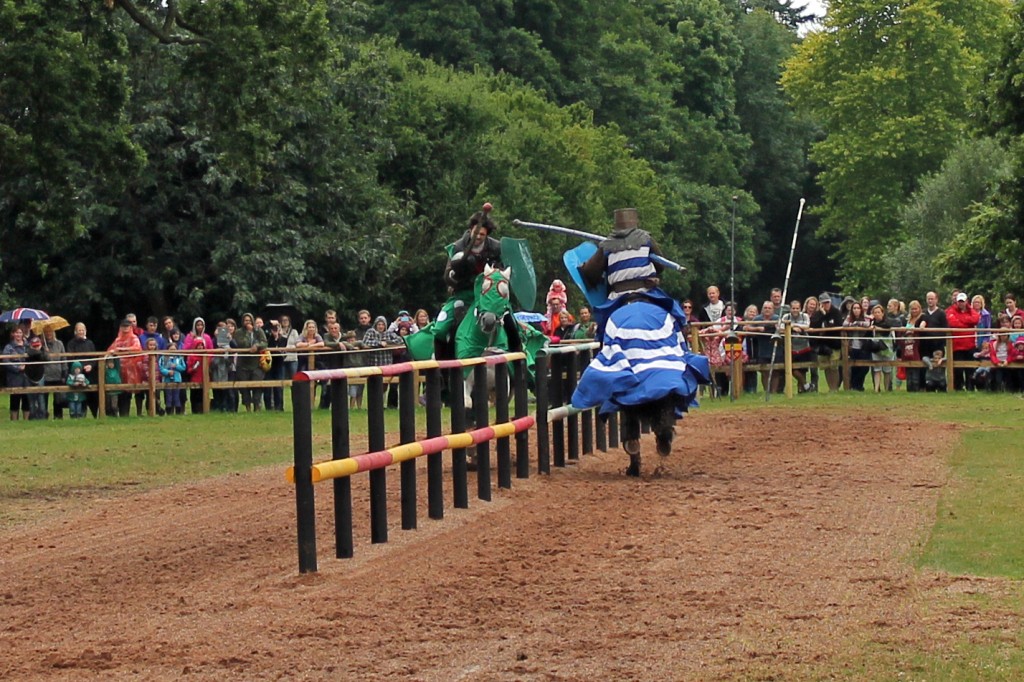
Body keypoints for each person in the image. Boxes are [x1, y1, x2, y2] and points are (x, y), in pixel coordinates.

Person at [578, 207, 684, 340]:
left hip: (618, 296)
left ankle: (603, 350)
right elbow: (660, 266)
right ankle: (681, 343)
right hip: (646, 291)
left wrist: (584, 266)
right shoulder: (646, 240)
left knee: (603, 327)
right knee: (674, 313)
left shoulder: (607, 246)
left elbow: (591, 273)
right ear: (635, 222)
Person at [107, 319, 143, 417]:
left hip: (131, 370)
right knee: (120, 392)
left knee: (131, 391)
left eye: (127, 326)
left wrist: (122, 350)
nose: (125, 329)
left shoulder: (134, 338)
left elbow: (137, 348)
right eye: (123, 326)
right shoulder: (118, 339)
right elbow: (110, 350)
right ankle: (122, 414)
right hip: (119, 370)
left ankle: (134, 413)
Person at [233, 312, 267, 412]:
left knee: (257, 385)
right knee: (244, 388)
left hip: (257, 363)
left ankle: (257, 406)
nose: (247, 322)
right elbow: (240, 343)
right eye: (245, 320)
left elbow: (264, 342)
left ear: (252, 321)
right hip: (243, 364)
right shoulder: (239, 332)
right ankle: (247, 407)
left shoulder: (259, 331)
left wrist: (257, 346)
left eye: (249, 320)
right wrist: (248, 334)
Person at [946, 291, 980, 390]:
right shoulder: (951, 310)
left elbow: (976, 319)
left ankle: (970, 387)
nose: (961, 303)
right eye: (959, 301)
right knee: (957, 369)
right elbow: (953, 323)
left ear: (966, 301)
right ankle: (958, 388)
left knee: (970, 368)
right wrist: (967, 323)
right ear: (956, 302)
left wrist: (962, 320)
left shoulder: (971, 310)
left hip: (970, 345)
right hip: (957, 345)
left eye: (963, 301)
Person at [809, 293, 843, 393]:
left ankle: (835, 388)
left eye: (828, 302)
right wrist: (823, 315)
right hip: (822, 345)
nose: (826, 304)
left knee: (834, 366)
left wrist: (826, 323)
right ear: (820, 304)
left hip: (834, 344)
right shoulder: (817, 314)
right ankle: (830, 387)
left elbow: (837, 325)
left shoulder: (836, 312)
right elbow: (814, 325)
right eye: (824, 303)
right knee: (826, 367)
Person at [65, 322, 99, 418]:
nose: (81, 332)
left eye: (82, 330)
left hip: (89, 373)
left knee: (92, 395)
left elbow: (94, 358)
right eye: (79, 330)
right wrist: (79, 367)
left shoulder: (90, 343)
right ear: (75, 331)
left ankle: (95, 415)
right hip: (76, 373)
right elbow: (70, 359)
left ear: (85, 331)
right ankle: (79, 414)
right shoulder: (71, 344)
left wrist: (91, 366)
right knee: (79, 395)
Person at [780, 300, 813, 392]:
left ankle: (801, 389)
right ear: (790, 308)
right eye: (793, 308)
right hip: (790, 347)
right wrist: (793, 328)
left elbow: (807, 326)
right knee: (793, 368)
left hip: (804, 346)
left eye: (797, 308)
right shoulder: (786, 316)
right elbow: (782, 328)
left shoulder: (804, 316)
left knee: (803, 369)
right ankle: (806, 385)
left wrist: (791, 326)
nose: (795, 310)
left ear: (800, 308)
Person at [3, 326, 31, 420]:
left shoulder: (28, 345)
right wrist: (18, 368)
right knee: (15, 400)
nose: (18, 334)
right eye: (16, 332)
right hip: (14, 378)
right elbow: (5, 361)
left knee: (26, 400)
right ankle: (14, 422)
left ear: (23, 334)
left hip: (27, 377)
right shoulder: (8, 347)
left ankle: (26, 421)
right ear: (13, 334)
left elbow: (34, 357)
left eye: (20, 332)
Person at [842, 301, 872, 391]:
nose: (856, 310)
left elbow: (867, 324)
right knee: (854, 367)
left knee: (865, 367)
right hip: (852, 346)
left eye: (858, 308)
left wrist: (858, 323)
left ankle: (858, 384)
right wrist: (854, 324)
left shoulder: (865, 317)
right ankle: (855, 386)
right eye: (854, 308)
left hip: (863, 346)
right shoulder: (848, 318)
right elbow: (844, 324)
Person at [40, 325, 67, 419]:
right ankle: (44, 416)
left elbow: (64, 359)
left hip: (57, 374)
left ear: (53, 332)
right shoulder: (41, 345)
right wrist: (44, 351)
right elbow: (40, 359)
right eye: (46, 332)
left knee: (58, 399)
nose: (48, 334)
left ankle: (58, 417)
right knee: (44, 398)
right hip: (45, 375)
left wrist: (64, 374)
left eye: (50, 331)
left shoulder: (59, 344)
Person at [869, 303, 896, 392]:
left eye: (878, 312)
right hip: (876, 348)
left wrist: (877, 327)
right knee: (877, 369)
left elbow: (887, 327)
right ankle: (876, 389)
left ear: (882, 313)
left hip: (887, 348)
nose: (877, 314)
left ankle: (887, 388)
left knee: (887, 370)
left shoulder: (888, 321)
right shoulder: (872, 322)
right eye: (875, 312)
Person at [263, 320, 288, 411]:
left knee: (279, 387)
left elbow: (281, 351)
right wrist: (270, 323)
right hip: (269, 364)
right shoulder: (268, 338)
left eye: (277, 328)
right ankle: (268, 407)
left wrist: (277, 337)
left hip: (279, 364)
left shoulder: (284, 339)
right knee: (268, 386)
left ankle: (279, 407)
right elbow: (269, 348)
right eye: (274, 328)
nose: (275, 330)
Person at [159, 336, 187, 415]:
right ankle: (169, 412)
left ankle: (177, 412)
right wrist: (167, 372)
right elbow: (161, 368)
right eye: (171, 350)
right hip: (167, 380)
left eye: (174, 349)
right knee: (168, 396)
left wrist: (176, 366)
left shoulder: (179, 358)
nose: (172, 351)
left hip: (177, 380)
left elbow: (183, 367)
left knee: (176, 396)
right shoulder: (163, 358)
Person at [278, 315, 300, 380]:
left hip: (292, 358)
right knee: (281, 379)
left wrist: (286, 347)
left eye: (286, 320)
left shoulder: (294, 332)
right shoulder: (277, 332)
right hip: (281, 358)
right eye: (283, 320)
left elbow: (297, 344)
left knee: (294, 378)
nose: (285, 322)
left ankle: (295, 390)